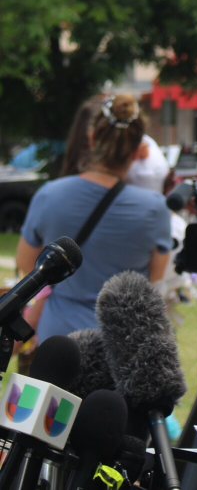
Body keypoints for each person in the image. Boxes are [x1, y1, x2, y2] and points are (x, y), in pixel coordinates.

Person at [17, 94, 172, 339]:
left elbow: (27, 265)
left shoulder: (49, 196)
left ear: (92, 139)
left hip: (59, 339)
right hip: (121, 343)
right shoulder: (154, 208)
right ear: (137, 150)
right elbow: (156, 278)